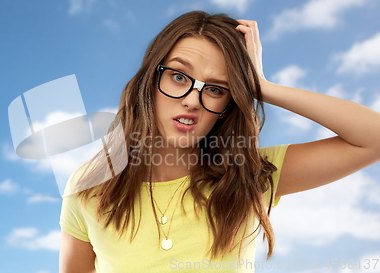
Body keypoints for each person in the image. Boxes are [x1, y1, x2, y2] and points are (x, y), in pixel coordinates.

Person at [58, 11, 380, 273]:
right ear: (149, 82)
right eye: (179, 76)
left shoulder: (251, 175)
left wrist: (261, 85)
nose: (192, 101)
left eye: (216, 89)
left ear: (228, 106)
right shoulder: (89, 188)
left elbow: (374, 138)